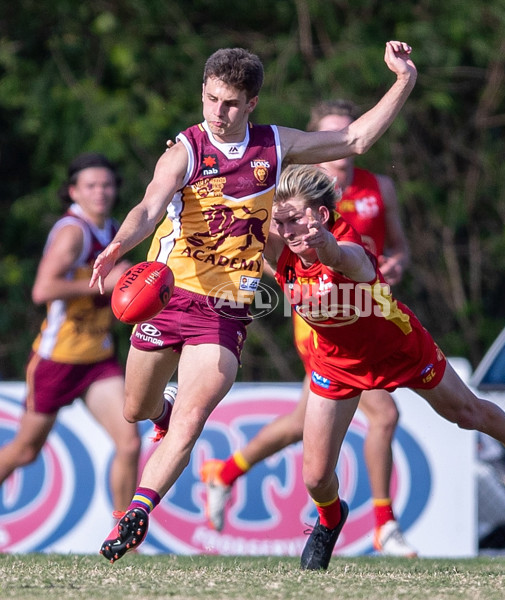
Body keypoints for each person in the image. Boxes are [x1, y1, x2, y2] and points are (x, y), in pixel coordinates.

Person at [90, 41, 418, 563]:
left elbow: (354, 139)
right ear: (203, 93)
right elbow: (149, 205)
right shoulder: (187, 149)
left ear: (253, 104)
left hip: (225, 305)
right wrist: (118, 245)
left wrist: (403, 79)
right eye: (213, 100)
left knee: (193, 416)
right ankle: (161, 408)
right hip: (167, 295)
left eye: (232, 104)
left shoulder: (275, 146)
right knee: (138, 410)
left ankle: (136, 513)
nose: (220, 113)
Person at [261, 163, 505, 570]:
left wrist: (325, 244)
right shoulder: (281, 245)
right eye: (279, 221)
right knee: (316, 478)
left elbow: (341, 257)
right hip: (334, 363)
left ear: (321, 214)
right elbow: (242, 219)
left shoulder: (347, 248)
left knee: (467, 413)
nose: (287, 229)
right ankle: (330, 520)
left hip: (399, 348)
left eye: (296, 219)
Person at [200, 99, 417, 557]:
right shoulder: (288, 196)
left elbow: (397, 245)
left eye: (348, 133)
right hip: (322, 317)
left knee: (303, 423)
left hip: (370, 305)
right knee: (385, 414)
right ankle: (384, 523)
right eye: (330, 136)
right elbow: (259, 246)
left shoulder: (381, 188)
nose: (340, 147)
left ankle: (224, 472)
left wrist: (395, 262)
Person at [0, 153, 141, 517]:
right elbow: (42, 290)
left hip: (97, 360)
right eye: (91, 185)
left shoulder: (113, 228)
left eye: (107, 184)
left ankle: (125, 536)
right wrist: (103, 285)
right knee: (25, 452)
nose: (101, 192)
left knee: (128, 443)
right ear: (73, 192)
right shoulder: (73, 232)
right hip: (57, 359)